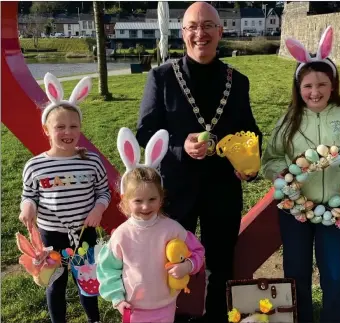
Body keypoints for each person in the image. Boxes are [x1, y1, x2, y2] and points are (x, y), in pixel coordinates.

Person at [136, 2, 262, 322]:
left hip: (223, 190)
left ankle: (217, 317)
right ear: (183, 33)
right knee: (171, 263)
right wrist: (180, 147)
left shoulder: (239, 80)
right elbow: (145, 133)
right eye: (192, 26)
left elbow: (250, 131)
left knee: (220, 265)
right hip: (176, 190)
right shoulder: (161, 77)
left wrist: (249, 162)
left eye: (207, 26)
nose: (199, 33)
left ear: (220, 31)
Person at [261, 26, 340, 323]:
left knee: (335, 274)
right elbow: (269, 160)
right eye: (308, 86)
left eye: (322, 84)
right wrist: (280, 173)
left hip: (335, 210)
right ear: (299, 88)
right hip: (294, 210)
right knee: (296, 272)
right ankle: (300, 318)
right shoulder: (288, 120)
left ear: (333, 85)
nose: (315, 92)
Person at [18, 73, 110, 323]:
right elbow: (30, 194)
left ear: (80, 128)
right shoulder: (35, 166)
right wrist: (28, 207)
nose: (67, 132)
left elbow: (104, 190)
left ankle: (94, 319)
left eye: (73, 126)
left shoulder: (91, 161)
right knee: (55, 283)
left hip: (84, 234)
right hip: (51, 236)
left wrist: (98, 209)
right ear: (46, 130)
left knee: (88, 282)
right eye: (60, 127)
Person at [96, 127, 205, 323]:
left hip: (166, 304)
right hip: (133, 307)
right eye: (138, 201)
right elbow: (108, 270)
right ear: (125, 201)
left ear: (161, 198)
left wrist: (187, 266)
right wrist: (117, 299)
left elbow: (198, 252)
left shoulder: (172, 229)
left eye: (152, 199)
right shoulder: (121, 235)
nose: (146, 206)